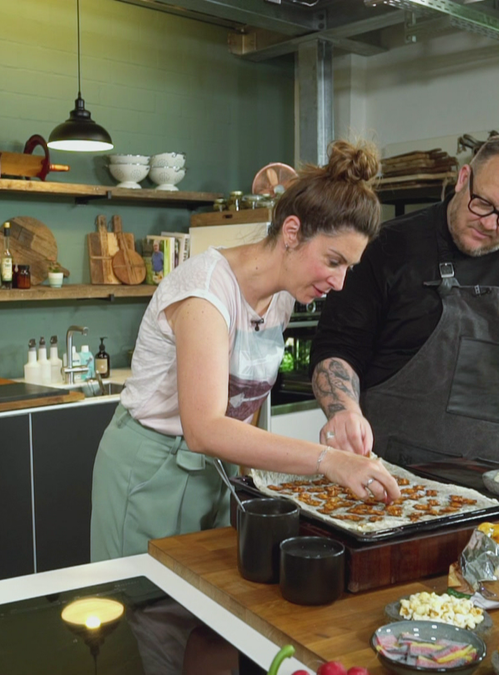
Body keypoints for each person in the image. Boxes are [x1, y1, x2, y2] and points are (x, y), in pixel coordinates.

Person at [90, 139, 402, 564]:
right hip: (150, 472)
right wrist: (328, 461)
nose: (340, 281)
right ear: (292, 233)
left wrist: (249, 481)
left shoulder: (283, 297)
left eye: (349, 267)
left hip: (214, 473)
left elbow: (244, 404)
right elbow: (204, 429)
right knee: (142, 612)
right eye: (333, 261)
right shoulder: (205, 292)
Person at [310, 133, 499, 467]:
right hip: (396, 486)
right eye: (482, 203)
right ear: (464, 178)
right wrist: (344, 413)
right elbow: (337, 348)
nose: (489, 223)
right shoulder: (388, 246)